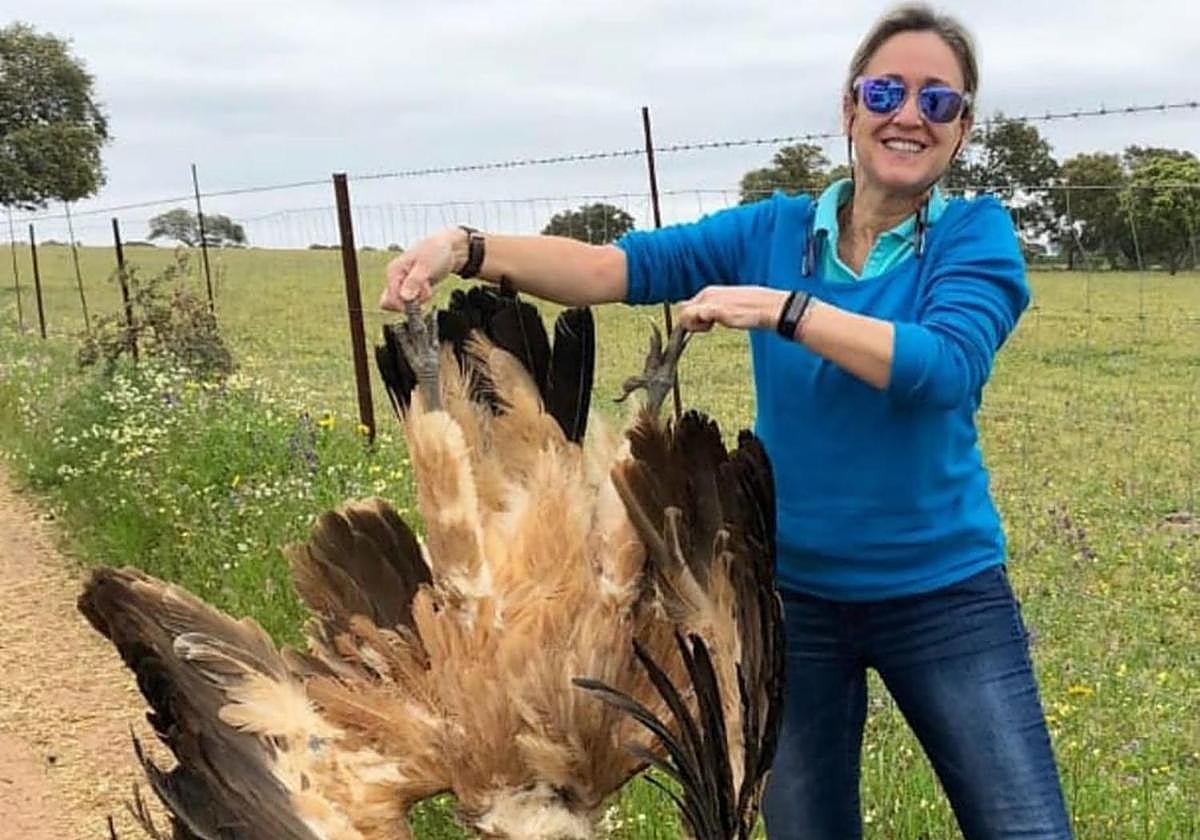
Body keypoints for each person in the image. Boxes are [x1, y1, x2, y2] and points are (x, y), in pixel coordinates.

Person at [379, 5, 1071, 838]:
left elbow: (942, 367)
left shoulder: (973, 237)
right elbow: (610, 268)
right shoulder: (775, 230)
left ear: (963, 128)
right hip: (789, 603)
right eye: (887, 91)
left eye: (939, 101)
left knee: (1025, 828)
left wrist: (787, 309)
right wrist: (462, 248)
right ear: (850, 108)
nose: (909, 115)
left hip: (943, 597)